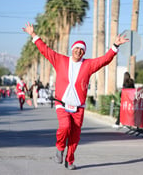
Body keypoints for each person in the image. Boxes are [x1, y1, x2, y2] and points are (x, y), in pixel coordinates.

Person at [23, 22, 129, 170]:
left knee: (75, 136)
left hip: (78, 107)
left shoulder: (88, 65)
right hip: (62, 103)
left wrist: (115, 46)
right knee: (65, 126)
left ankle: (69, 160)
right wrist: (33, 35)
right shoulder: (61, 60)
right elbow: (45, 50)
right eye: (76, 48)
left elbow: (104, 60)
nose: (78, 51)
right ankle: (60, 148)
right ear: (72, 49)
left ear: (83, 52)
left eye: (81, 50)